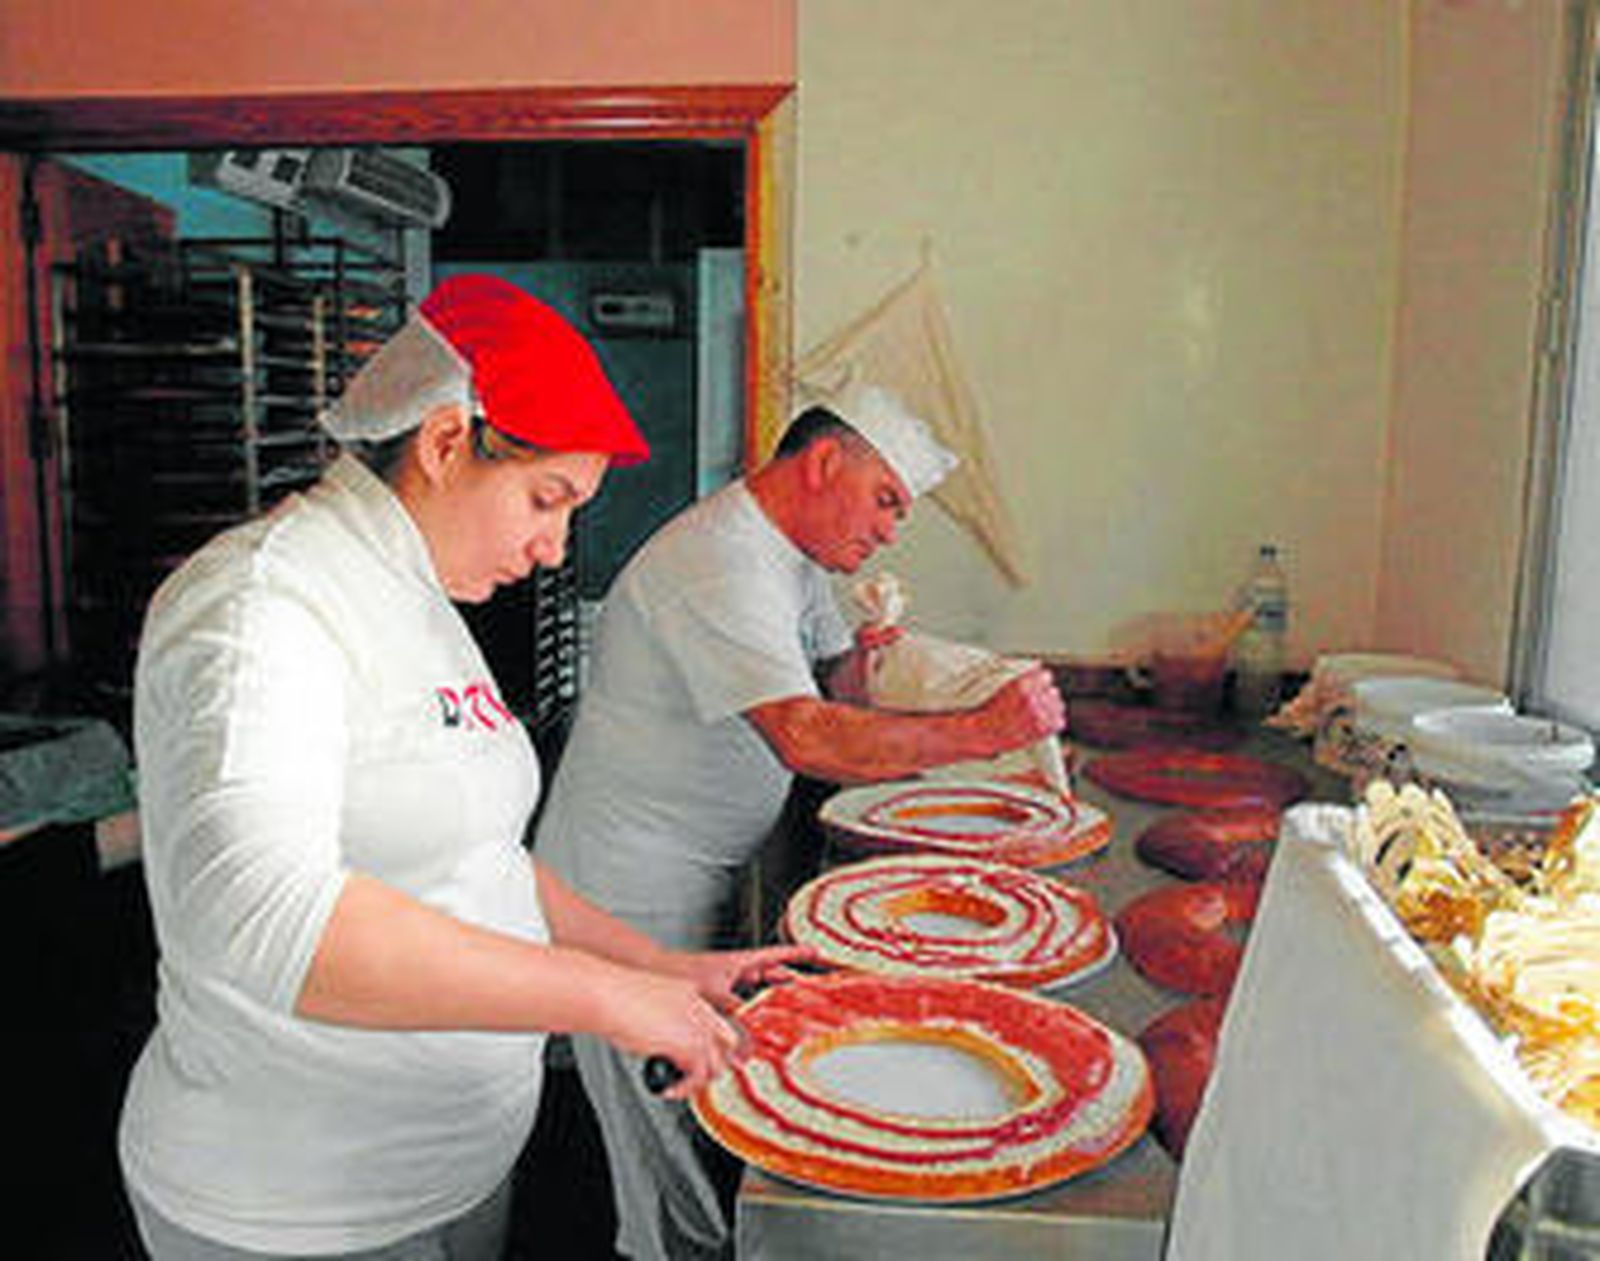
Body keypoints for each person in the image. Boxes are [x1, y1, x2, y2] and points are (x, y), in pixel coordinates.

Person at [117, 273, 811, 1261]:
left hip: (451, 1165)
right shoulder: (262, 603)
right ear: (446, 441)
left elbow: (480, 856)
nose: (552, 547)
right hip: (296, 1203)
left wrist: (654, 967)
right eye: (545, 498)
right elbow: (262, 914)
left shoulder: (421, 597)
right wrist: (600, 997)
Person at [535, 384, 1066, 1260]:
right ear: (824, 463)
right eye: (885, 500)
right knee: (656, 1126)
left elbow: (831, 689)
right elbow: (807, 736)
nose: (889, 531)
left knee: (698, 1092)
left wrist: (873, 663)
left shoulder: (794, 559)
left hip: (698, 865)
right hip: (629, 882)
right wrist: (985, 730)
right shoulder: (722, 563)